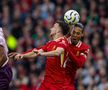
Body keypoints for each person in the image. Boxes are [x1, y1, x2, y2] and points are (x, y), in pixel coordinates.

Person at [9, 20, 75, 90]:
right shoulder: (50, 43)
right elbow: (36, 52)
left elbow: (58, 52)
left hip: (57, 84)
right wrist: (22, 55)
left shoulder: (63, 42)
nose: (50, 29)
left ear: (58, 31)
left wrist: (42, 54)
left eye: (53, 27)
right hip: (46, 82)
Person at [65, 23, 90, 89]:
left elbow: (79, 63)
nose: (75, 35)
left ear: (82, 34)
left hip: (69, 81)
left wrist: (67, 50)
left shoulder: (84, 48)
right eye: (74, 32)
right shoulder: (64, 40)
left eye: (78, 33)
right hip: (56, 77)